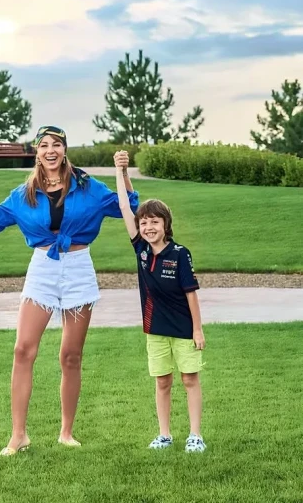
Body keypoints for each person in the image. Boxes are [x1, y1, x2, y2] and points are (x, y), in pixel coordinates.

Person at [0, 125, 139, 455]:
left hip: (79, 268)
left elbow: (128, 205)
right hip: (42, 268)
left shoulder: (87, 186)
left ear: (65, 149)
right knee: (22, 350)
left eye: (56, 144)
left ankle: (66, 432)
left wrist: (123, 172)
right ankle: (18, 435)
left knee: (71, 356)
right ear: (37, 152)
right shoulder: (23, 194)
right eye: (44, 145)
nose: (50, 150)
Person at [113, 150, 207, 453]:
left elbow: (191, 293)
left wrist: (197, 329)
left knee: (189, 379)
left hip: (183, 329)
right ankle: (164, 435)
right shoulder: (140, 250)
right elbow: (124, 206)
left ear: (166, 224)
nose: (148, 227)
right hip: (154, 329)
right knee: (162, 382)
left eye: (154, 221)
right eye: (144, 223)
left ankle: (195, 435)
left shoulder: (180, 254)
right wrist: (121, 171)